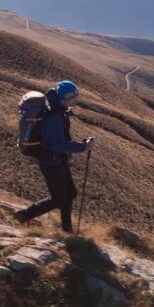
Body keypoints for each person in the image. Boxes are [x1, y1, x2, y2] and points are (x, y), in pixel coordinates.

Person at [14, 80, 95, 233]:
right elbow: (58, 144)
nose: (75, 101)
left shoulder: (57, 109)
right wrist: (84, 147)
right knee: (58, 198)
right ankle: (25, 215)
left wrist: (80, 144)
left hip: (57, 158)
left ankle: (67, 228)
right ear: (65, 98)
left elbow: (61, 140)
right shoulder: (53, 116)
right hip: (50, 161)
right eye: (73, 98)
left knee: (70, 193)